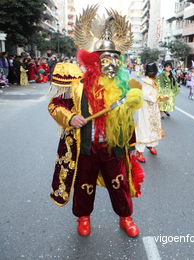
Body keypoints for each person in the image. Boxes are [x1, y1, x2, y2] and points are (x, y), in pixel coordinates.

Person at [47, 8, 144, 237]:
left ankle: (125, 217)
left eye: (114, 59)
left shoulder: (124, 86)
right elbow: (54, 105)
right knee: (84, 185)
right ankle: (83, 217)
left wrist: (133, 104)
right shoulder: (77, 85)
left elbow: (129, 119)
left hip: (113, 147)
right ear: (94, 60)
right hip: (86, 148)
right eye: (104, 59)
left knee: (118, 185)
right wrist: (70, 117)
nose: (110, 64)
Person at [134, 62, 164, 163]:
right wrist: (158, 98)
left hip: (154, 109)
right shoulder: (145, 82)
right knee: (144, 127)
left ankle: (151, 145)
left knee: (154, 127)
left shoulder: (152, 81)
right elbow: (147, 95)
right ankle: (139, 152)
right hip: (145, 109)